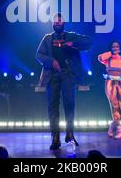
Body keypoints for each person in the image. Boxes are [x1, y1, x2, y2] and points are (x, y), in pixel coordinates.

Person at [36, 13, 92, 150]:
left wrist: (73, 43)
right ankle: (55, 138)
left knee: (69, 104)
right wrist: (51, 61)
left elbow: (88, 42)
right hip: (52, 76)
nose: (57, 24)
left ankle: (70, 134)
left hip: (68, 74)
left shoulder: (71, 35)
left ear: (64, 23)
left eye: (59, 22)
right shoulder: (47, 38)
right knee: (52, 106)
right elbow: (39, 55)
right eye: (55, 22)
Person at [98, 41, 121, 139]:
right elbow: (100, 58)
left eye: (117, 46)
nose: (115, 48)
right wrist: (111, 52)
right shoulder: (108, 58)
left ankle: (112, 125)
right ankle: (120, 130)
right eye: (113, 46)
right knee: (114, 106)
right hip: (110, 82)